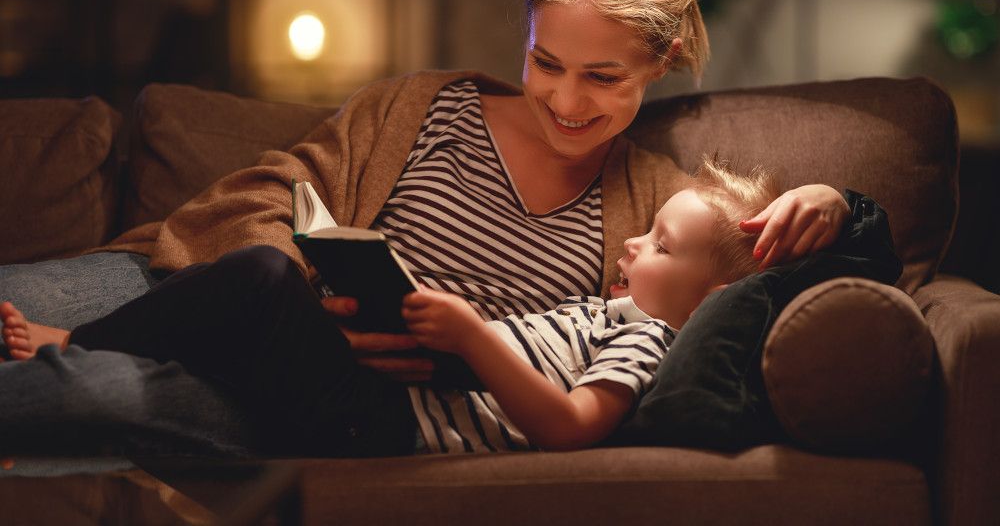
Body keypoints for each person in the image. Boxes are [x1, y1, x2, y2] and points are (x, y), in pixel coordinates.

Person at [0, 0, 850, 457]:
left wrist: (842, 203)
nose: (564, 99)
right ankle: (71, 334)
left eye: (603, 77)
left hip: (345, 403)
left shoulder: (662, 216)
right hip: (206, 297)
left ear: (659, 65)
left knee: (92, 389)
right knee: (22, 298)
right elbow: (280, 190)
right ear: (523, 28)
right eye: (545, 62)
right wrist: (307, 286)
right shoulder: (423, 108)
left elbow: (771, 281)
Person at [1, 157, 780, 454]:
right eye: (644, 232)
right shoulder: (604, 313)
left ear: (711, 299)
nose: (637, 244)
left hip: (378, 424)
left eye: (662, 246)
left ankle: (71, 341)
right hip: (383, 389)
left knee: (266, 279)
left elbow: (571, 428)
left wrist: (473, 337)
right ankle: (80, 337)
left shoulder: (648, 343)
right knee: (262, 280)